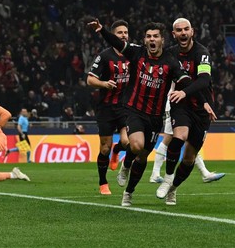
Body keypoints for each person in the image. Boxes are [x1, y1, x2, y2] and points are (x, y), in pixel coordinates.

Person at [87, 19, 213, 206]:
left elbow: (186, 81)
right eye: (148, 36)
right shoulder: (137, 53)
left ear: (162, 39)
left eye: (155, 36)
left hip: (155, 117)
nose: (152, 40)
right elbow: (118, 44)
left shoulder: (171, 61)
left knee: (144, 156)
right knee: (136, 146)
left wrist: (203, 102)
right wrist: (102, 30)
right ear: (144, 40)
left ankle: (129, 191)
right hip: (134, 110)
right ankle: (126, 165)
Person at [150, 18, 224, 190]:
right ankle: (167, 178)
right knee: (178, 136)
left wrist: (203, 101)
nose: (183, 33)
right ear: (173, 34)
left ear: (192, 32)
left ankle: (172, 189)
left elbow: (204, 80)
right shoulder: (170, 54)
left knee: (190, 157)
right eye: (179, 30)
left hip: (201, 107)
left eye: (186, 29)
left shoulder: (202, 53)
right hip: (180, 103)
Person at [87, 20, 131, 195]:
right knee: (104, 147)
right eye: (120, 33)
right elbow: (90, 79)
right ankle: (103, 182)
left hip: (125, 106)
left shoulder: (132, 53)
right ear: (113, 35)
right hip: (105, 108)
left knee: (128, 142)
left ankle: (118, 150)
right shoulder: (104, 56)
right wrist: (104, 83)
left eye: (126, 32)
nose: (123, 35)